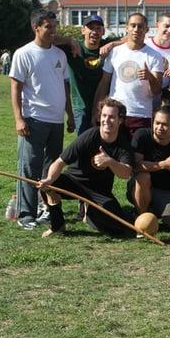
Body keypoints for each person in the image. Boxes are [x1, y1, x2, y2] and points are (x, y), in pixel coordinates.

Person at [9, 9, 75, 230]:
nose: (53, 31)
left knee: (51, 169)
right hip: (33, 119)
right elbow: (15, 88)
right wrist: (19, 119)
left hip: (56, 121)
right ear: (36, 27)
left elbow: (65, 87)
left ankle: (48, 208)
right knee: (30, 167)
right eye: (48, 27)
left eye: (54, 26)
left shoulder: (59, 55)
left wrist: (70, 115)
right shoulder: (23, 54)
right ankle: (26, 214)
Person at [39, 99, 134, 237]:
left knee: (118, 228)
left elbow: (126, 173)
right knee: (49, 184)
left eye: (112, 117)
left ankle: (89, 215)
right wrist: (49, 179)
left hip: (99, 191)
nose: (107, 120)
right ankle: (57, 225)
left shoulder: (123, 145)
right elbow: (59, 162)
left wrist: (110, 162)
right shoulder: (89, 136)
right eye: (104, 116)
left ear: (120, 120)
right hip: (75, 181)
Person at [93, 13, 164, 136]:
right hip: (115, 114)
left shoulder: (155, 56)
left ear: (146, 29)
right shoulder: (115, 52)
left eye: (140, 26)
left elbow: (157, 90)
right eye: (133, 25)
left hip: (141, 115)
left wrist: (150, 77)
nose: (136, 29)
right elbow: (104, 83)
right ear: (127, 27)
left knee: (138, 155)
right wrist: (96, 110)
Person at [56, 15, 124, 134]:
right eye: (90, 28)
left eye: (98, 28)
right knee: (84, 141)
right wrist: (69, 40)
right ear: (83, 30)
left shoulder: (107, 45)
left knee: (103, 140)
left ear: (103, 31)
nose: (94, 32)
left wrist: (112, 44)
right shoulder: (74, 47)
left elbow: (131, 38)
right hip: (81, 106)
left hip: (103, 105)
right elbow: (48, 38)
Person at [128, 106, 170, 226]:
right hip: (140, 187)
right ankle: (141, 218)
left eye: (165, 124)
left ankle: (158, 213)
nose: (159, 128)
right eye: (157, 123)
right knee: (143, 177)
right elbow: (135, 166)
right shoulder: (142, 136)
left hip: (165, 193)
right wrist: (163, 165)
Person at [144, 12, 170, 107]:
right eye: (166, 26)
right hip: (142, 101)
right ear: (157, 25)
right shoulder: (144, 45)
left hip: (162, 104)